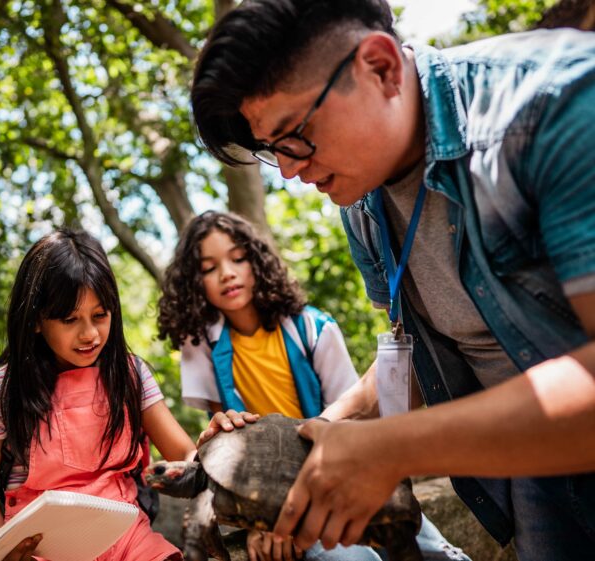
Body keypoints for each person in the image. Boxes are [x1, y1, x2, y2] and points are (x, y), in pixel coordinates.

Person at [188, 1, 595, 560]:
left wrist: (391, 449)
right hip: (534, 472)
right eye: (271, 150)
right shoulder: (361, 202)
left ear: (379, 66)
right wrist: (312, 442)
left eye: (295, 135)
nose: (287, 169)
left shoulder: (553, 106)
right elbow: (411, 360)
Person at [159, 211, 466, 561]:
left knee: (430, 546)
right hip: (269, 484)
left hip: (340, 461)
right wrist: (260, 522)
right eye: (208, 267)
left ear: (257, 261)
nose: (227, 273)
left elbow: (356, 419)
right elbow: (227, 441)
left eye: (238, 258)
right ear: (193, 281)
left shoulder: (313, 328)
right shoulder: (200, 345)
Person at [0, 229, 197, 561]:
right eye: (70, 319)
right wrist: (0, 546)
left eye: (100, 316)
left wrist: (216, 455)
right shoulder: (1, 388)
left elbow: (186, 454)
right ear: (35, 320)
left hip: (128, 539)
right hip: (42, 546)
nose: (89, 334)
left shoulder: (129, 375)